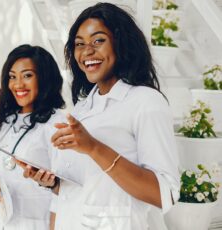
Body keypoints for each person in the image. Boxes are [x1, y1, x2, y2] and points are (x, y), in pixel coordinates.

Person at [20, 3, 180, 229]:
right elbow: (82, 188)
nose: (87, 51)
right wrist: (52, 182)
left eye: (98, 41)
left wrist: (94, 147)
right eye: (79, 44)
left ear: (120, 43)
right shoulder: (81, 110)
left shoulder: (146, 102)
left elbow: (165, 194)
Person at [0, 44, 65, 230]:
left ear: (44, 78)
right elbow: (4, 169)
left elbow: (64, 193)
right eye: (12, 77)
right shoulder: (4, 119)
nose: (18, 84)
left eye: (27, 75)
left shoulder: (57, 124)